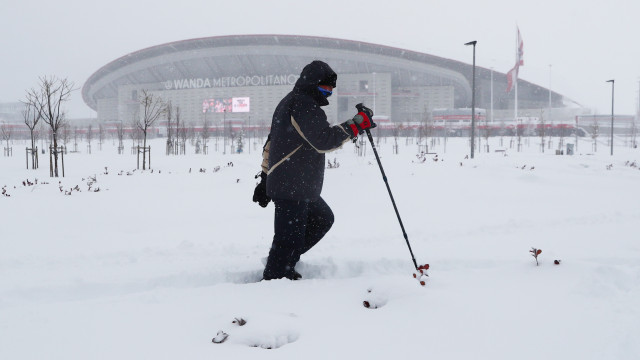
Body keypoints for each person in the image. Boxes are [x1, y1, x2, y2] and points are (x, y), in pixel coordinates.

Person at [252, 60, 375, 280]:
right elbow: (323, 140)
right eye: (324, 87)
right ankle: (276, 279)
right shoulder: (302, 105)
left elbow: (272, 144)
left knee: (322, 219)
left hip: (297, 185)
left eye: (331, 90)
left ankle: (286, 262)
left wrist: (264, 179)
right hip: (292, 185)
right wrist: (355, 124)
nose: (327, 93)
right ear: (311, 83)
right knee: (288, 240)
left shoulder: (290, 102)